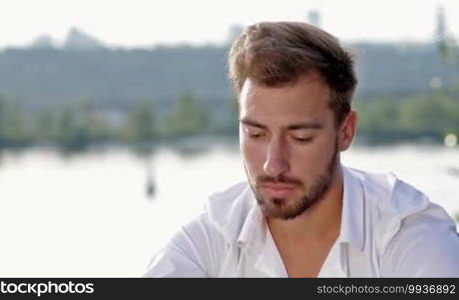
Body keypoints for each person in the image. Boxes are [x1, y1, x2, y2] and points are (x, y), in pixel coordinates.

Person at [145, 21, 459, 277]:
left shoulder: (409, 236)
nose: (273, 165)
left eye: (301, 138)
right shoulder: (209, 242)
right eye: (256, 134)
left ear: (345, 131)